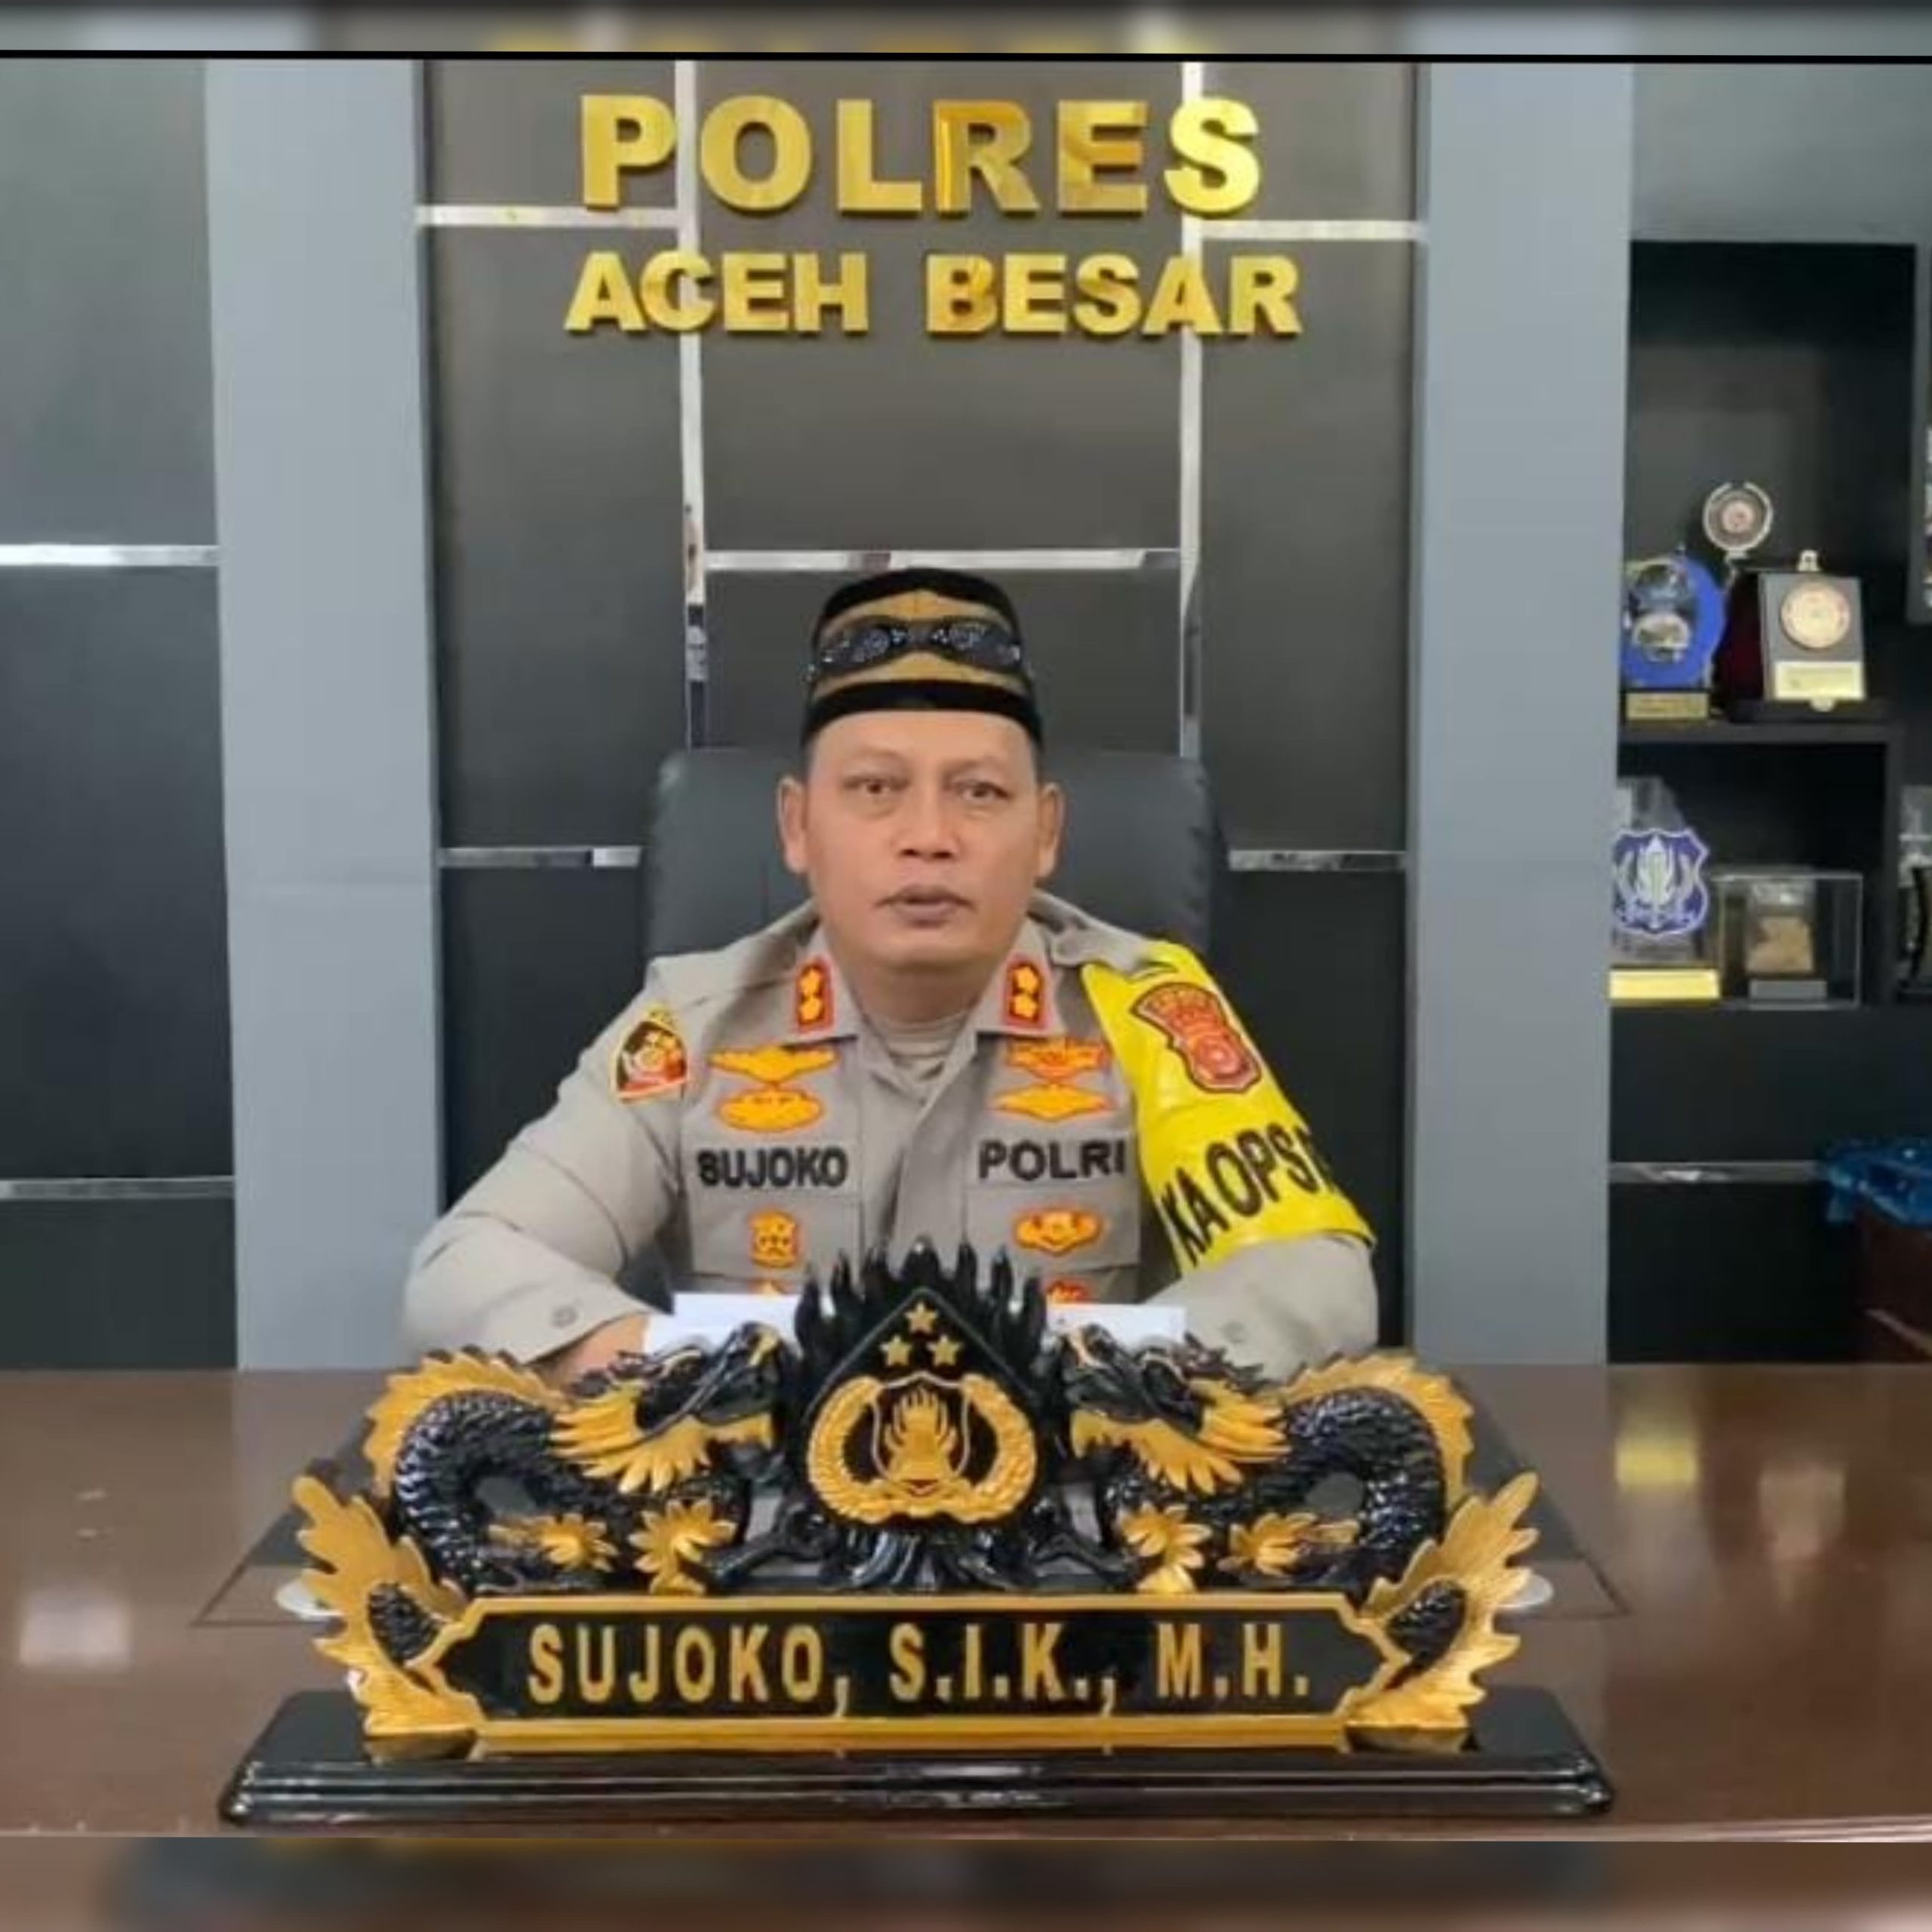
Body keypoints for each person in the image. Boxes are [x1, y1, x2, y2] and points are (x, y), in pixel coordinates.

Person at [404, 568, 1378, 1385]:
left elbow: (1317, 1274)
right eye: (876, 789)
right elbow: (465, 1265)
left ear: (1045, 832)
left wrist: (1101, 1383)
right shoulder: (696, 1026)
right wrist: (673, 1374)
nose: (928, 837)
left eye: (979, 792)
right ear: (797, 826)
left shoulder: (1148, 1011)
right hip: (758, 1519)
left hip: (1078, 1514)